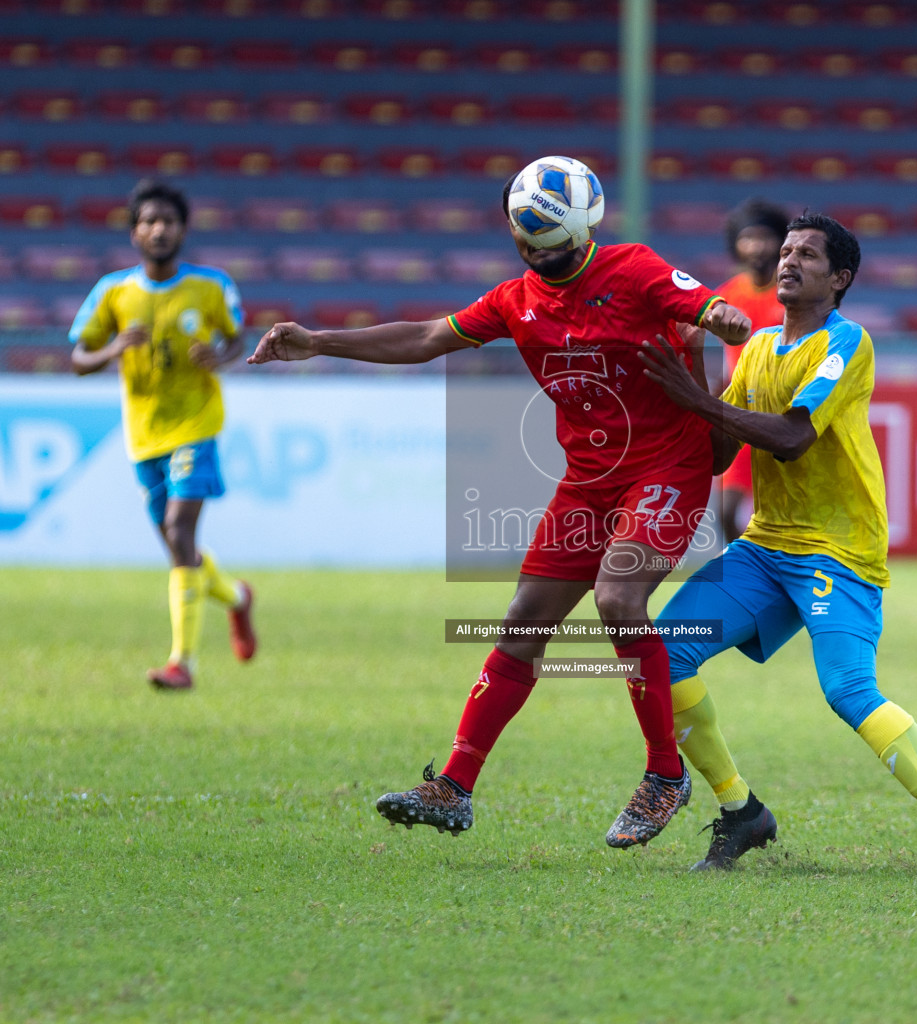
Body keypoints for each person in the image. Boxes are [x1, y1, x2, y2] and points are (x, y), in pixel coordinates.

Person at [248, 157, 751, 847]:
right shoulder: (515, 301)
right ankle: (453, 786)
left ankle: (666, 775)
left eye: (550, 242)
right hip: (589, 480)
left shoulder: (633, 269)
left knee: (618, 600)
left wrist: (720, 316)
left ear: (581, 233)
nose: (538, 253)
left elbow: (701, 306)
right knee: (522, 622)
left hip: (668, 464)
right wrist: (319, 342)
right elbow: (429, 337)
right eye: (529, 241)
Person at [638, 212, 917, 878]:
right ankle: (741, 811)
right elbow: (723, 454)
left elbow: (791, 436)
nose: (788, 261)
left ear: (839, 278)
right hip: (768, 546)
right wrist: (691, 389)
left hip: (837, 549)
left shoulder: (847, 343)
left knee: (847, 690)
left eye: (807, 254)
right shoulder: (755, 351)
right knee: (664, 653)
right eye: (786, 251)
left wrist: (700, 400)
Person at [70, 178, 258, 691]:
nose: (159, 230)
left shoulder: (211, 286)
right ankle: (238, 599)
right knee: (180, 548)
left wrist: (217, 355)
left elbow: (235, 337)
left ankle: (183, 664)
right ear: (134, 233)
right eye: (149, 222)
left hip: (196, 425)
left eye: (168, 222)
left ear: (182, 230)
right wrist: (111, 351)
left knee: (179, 532)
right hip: (143, 434)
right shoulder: (113, 292)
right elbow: (78, 358)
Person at [714, 199, 790, 542]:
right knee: (725, 512)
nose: (757, 246)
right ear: (736, 243)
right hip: (742, 414)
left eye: (765, 237)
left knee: (781, 511)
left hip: (785, 414)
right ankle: (744, 575)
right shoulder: (726, 296)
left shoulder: (794, 293)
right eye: (749, 237)